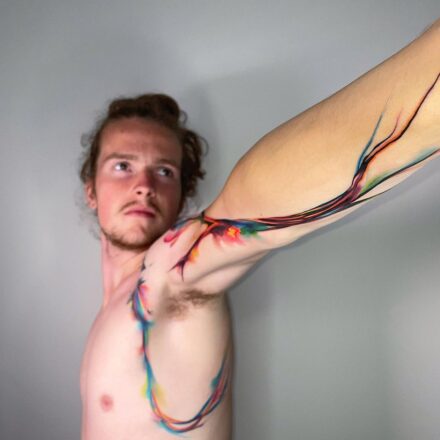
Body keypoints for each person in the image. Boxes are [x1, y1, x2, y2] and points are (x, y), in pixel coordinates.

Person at [79, 19, 440, 440]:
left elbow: (242, 209)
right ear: (91, 190)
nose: (144, 184)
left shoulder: (167, 274)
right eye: (122, 166)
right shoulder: (111, 307)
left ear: (182, 194)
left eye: (164, 171)